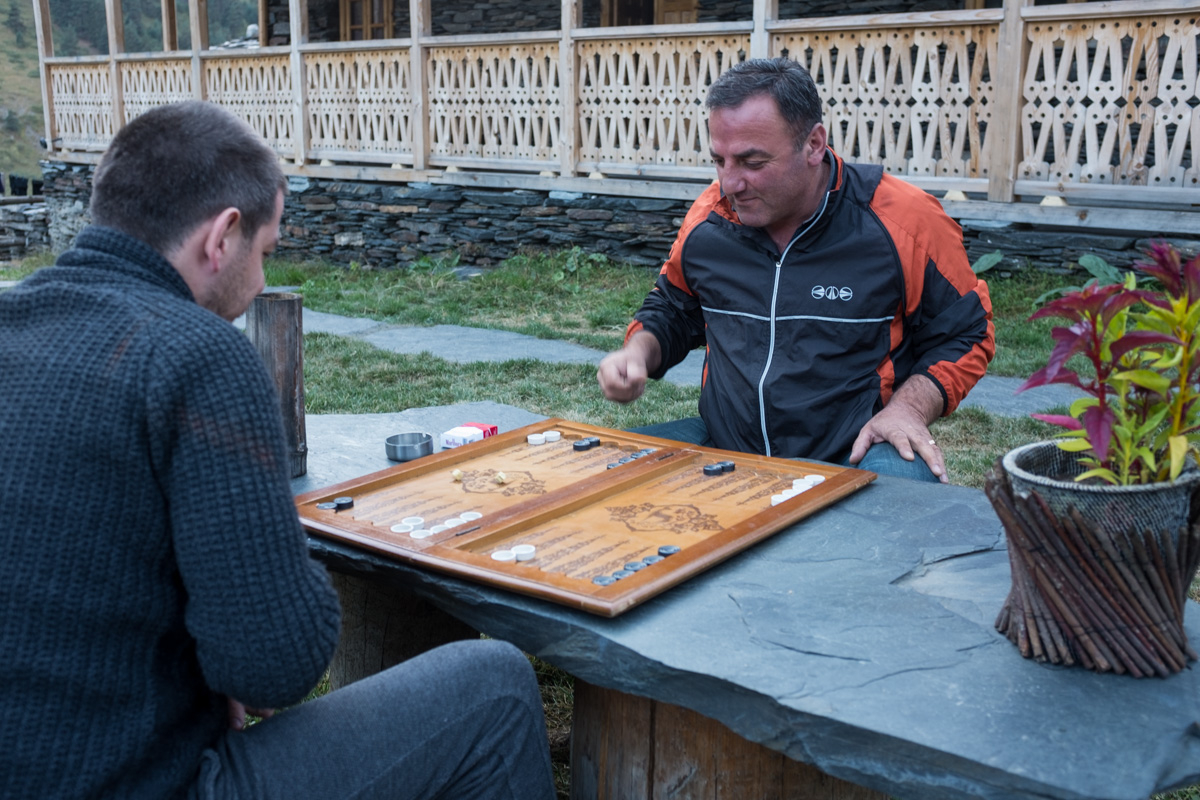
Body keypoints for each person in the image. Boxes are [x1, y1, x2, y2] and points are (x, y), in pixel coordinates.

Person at [0, 101, 555, 800]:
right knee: (494, 689)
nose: (262, 283)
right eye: (265, 253)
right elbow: (275, 665)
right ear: (223, 237)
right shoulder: (195, 356)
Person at [597, 58, 994, 483]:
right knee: (604, 478)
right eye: (719, 160)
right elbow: (674, 309)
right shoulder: (709, 219)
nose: (730, 183)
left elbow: (966, 332)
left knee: (896, 515)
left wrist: (909, 408)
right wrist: (637, 353)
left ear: (814, 144)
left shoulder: (903, 220)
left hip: (857, 451)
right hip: (727, 447)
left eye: (752, 162)